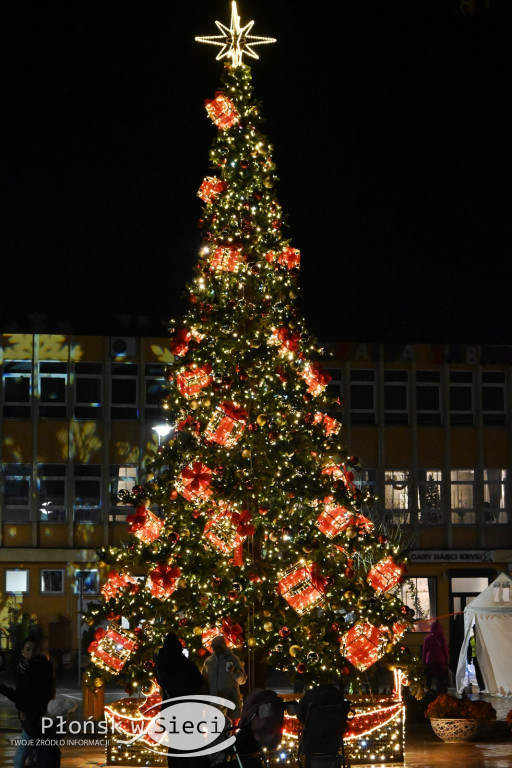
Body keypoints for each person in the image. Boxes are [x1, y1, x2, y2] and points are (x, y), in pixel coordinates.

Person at [0, 635, 55, 768]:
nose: (31, 652)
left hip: (36, 716)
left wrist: (30, 712)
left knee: (20, 758)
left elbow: (45, 693)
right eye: (28, 649)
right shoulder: (21, 668)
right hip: (25, 715)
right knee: (31, 754)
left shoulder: (43, 667)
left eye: (34, 649)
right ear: (22, 651)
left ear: (39, 650)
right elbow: (19, 694)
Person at [156, 633, 209, 768]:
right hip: (188, 709)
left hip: (171, 709)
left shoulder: (161, 664)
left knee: (175, 744)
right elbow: (198, 680)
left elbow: (162, 683)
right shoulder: (184, 663)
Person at [201, 635, 247, 722]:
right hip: (214, 705)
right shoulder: (209, 662)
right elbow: (204, 680)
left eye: (217, 647)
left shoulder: (233, 659)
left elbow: (243, 680)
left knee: (231, 730)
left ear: (223, 647)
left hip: (231, 703)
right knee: (215, 730)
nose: (216, 650)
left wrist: (234, 672)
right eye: (214, 648)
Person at [422, 620, 450, 694]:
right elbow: (445, 650)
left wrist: (423, 661)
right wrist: (447, 660)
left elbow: (424, 651)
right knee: (441, 678)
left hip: (430, 661)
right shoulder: (441, 638)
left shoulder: (427, 638)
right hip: (440, 661)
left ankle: (428, 693)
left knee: (429, 678)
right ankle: (439, 693)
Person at [467, 624, 485, 692]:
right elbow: (469, 650)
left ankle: (482, 687)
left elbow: (469, 650)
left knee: (480, 674)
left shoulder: (479, 639)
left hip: (480, 659)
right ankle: (482, 687)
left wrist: (469, 659)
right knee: (479, 674)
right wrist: (469, 659)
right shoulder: (473, 639)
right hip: (477, 659)